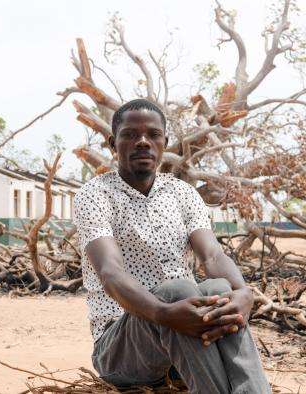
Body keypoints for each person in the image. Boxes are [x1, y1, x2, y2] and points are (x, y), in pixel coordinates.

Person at [72, 98, 271, 394]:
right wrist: (163, 313)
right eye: (130, 134)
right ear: (114, 144)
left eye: (153, 134)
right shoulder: (95, 195)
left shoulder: (182, 193)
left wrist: (242, 293)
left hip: (186, 336)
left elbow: (213, 254)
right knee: (176, 291)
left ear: (164, 142)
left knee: (219, 291)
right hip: (121, 349)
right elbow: (110, 271)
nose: (142, 142)